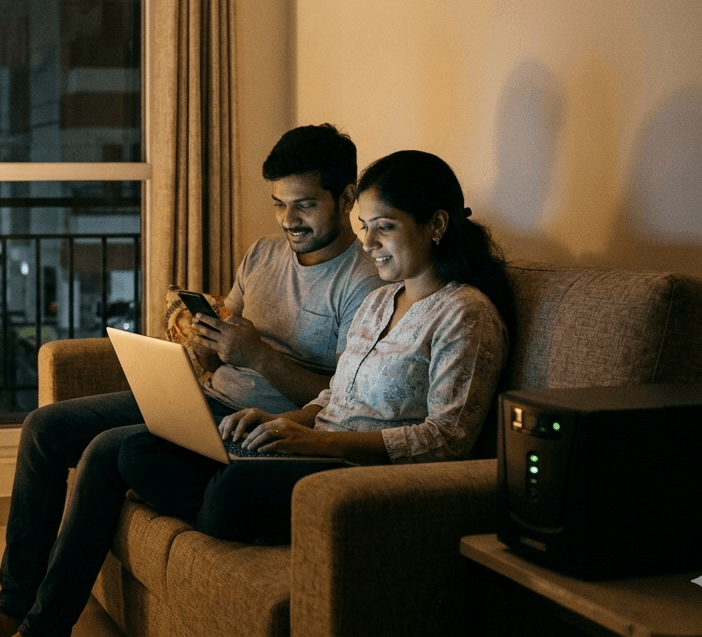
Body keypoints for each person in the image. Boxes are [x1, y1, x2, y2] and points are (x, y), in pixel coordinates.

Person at [0, 124, 386, 637]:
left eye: (304, 205)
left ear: (347, 198)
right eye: (279, 204)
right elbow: (225, 337)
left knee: (105, 450)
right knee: (44, 428)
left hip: (257, 424)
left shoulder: (366, 284)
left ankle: (42, 629)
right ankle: (10, 606)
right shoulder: (262, 255)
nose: (289, 220)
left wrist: (259, 358)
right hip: (206, 396)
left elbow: (340, 400)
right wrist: (205, 340)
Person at [119, 149, 513, 544]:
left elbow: (445, 440)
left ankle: (219, 511)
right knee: (141, 451)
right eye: (365, 227)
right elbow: (336, 395)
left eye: (385, 227)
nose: (369, 243)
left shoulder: (466, 314)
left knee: (230, 489)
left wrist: (316, 441)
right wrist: (283, 422)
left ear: (437, 224)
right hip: (314, 450)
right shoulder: (379, 301)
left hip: (361, 473)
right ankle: (221, 515)